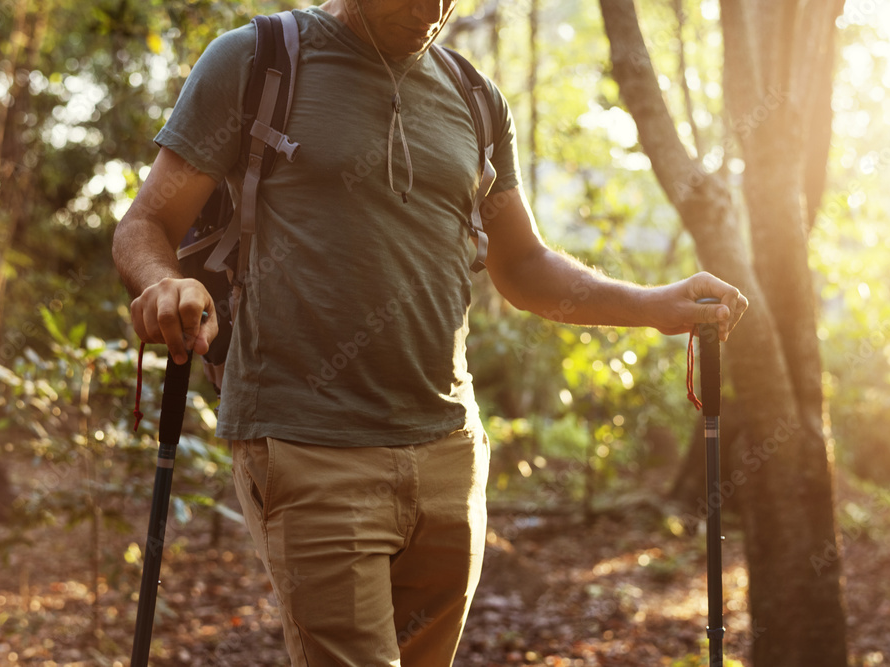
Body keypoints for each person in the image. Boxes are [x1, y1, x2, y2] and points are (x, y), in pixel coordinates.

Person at [112, 0, 749, 664]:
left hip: (448, 452)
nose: (434, 8)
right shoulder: (258, 61)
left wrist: (654, 304)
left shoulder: (474, 99)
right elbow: (144, 226)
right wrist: (164, 282)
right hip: (308, 443)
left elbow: (524, 266)